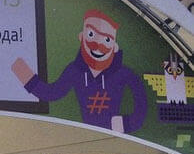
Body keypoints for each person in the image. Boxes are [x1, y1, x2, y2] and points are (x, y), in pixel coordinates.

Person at [12, 9, 147, 133]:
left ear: (114, 47)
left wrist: (125, 124)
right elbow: (52, 93)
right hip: (86, 136)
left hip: (114, 137)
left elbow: (141, 99)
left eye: (106, 39)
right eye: (91, 34)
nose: (97, 45)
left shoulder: (123, 73)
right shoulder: (75, 71)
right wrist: (25, 76)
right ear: (82, 37)